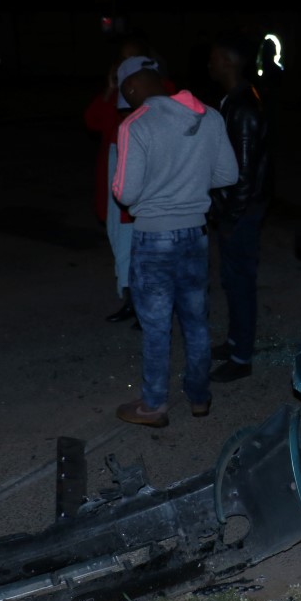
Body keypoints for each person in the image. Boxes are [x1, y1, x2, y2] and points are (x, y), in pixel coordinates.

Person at [111, 56, 237, 427]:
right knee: (196, 320)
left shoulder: (136, 124)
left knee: (156, 326)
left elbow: (126, 193)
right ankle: (199, 396)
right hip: (196, 234)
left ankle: (154, 404)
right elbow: (228, 175)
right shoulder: (209, 116)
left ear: (132, 87)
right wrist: (189, 182)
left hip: (154, 238)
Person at [84, 34, 175, 328]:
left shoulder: (157, 87)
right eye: (122, 58)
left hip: (147, 175)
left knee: (146, 242)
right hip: (117, 168)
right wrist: (110, 88)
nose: (126, 63)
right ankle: (132, 299)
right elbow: (92, 121)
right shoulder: (120, 88)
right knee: (121, 238)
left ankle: (149, 303)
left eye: (132, 57)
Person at [206, 32, 274, 383]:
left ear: (230, 61)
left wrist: (230, 216)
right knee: (232, 281)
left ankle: (241, 357)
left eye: (215, 57)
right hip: (237, 209)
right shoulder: (235, 100)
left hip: (241, 211)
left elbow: (243, 172)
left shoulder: (244, 106)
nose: (210, 63)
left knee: (240, 281)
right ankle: (235, 343)